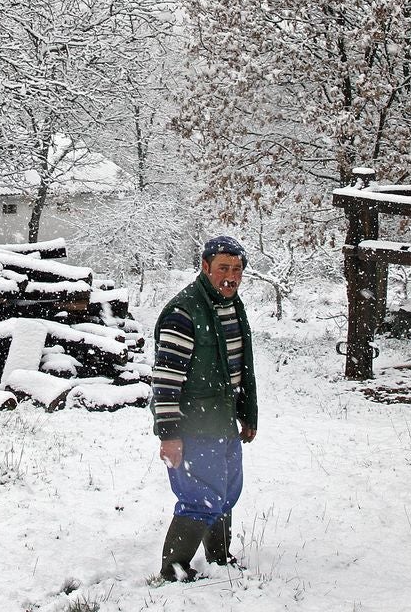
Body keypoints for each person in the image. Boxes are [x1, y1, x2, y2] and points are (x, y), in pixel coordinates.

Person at [150, 234, 259, 582]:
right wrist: (169, 435)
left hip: (223, 419)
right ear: (205, 267)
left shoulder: (231, 305)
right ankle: (175, 568)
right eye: (223, 268)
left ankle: (218, 556)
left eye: (237, 269)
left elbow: (240, 366)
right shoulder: (184, 312)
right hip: (194, 423)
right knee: (200, 495)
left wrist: (248, 413)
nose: (231, 276)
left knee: (226, 491)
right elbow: (166, 380)